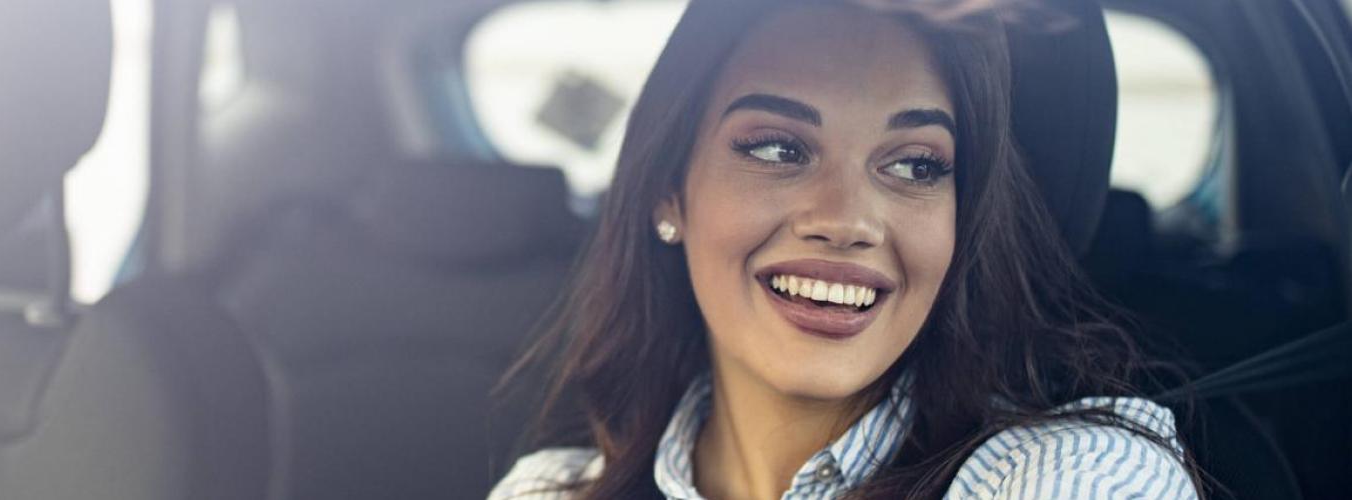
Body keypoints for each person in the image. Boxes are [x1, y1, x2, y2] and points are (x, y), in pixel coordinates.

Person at [489, 0, 1201, 498]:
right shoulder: (548, 492)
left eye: (916, 165)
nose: (847, 220)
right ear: (669, 192)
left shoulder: (1068, 473)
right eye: (777, 148)